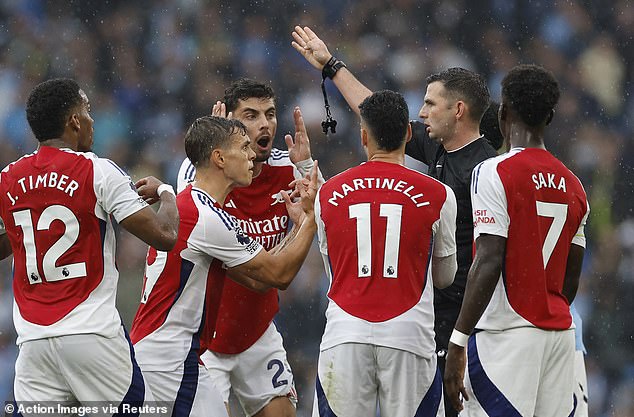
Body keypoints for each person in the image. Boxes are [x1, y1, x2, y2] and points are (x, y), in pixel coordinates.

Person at [292, 25, 496, 416]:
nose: (422, 113)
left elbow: (493, 255)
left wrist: (462, 334)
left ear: (458, 111)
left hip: (459, 326)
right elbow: (380, 118)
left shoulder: (486, 171)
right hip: (419, 321)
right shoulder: (440, 149)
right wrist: (331, 65)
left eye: (430, 104)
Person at [0, 78, 179, 413]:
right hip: (91, 336)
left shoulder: (7, 178)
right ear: (74, 121)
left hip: (34, 344)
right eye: (87, 111)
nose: (93, 121)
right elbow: (165, 236)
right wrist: (167, 193)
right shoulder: (97, 170)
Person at [131, 116, 319, 417]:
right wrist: (311, 218)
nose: (250, 155)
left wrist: (297, 228)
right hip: (169, 360)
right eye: (243, 147)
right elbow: (279, 275)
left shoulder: (193, 206)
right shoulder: (207, 219)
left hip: (166, 353)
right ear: (219, 158)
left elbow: (258, 281)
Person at [444, 64, 589, 416]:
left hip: (506, 337)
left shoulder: (493, 172)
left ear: (503, 111)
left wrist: (457, 340)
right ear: (550, 116)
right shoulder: (574, 185)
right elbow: (570, 279)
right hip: (558, 336)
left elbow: (489, 258)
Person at [176, 79, 322, 417]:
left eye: (270, 114)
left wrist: (305, 167)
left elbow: (330, 222)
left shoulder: (288, 168)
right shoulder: (198, 173)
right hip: (206, 339)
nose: (264, 124)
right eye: (251, 115)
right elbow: (257, 269)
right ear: (228, 122)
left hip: (257, 331)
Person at [313, 90, 457, 416]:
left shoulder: (328, 194)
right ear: (408, 132)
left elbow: (333, 272)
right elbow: (445, 278)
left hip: (345, 333)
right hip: (409, 335)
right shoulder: (438, 194)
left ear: (363, 136)